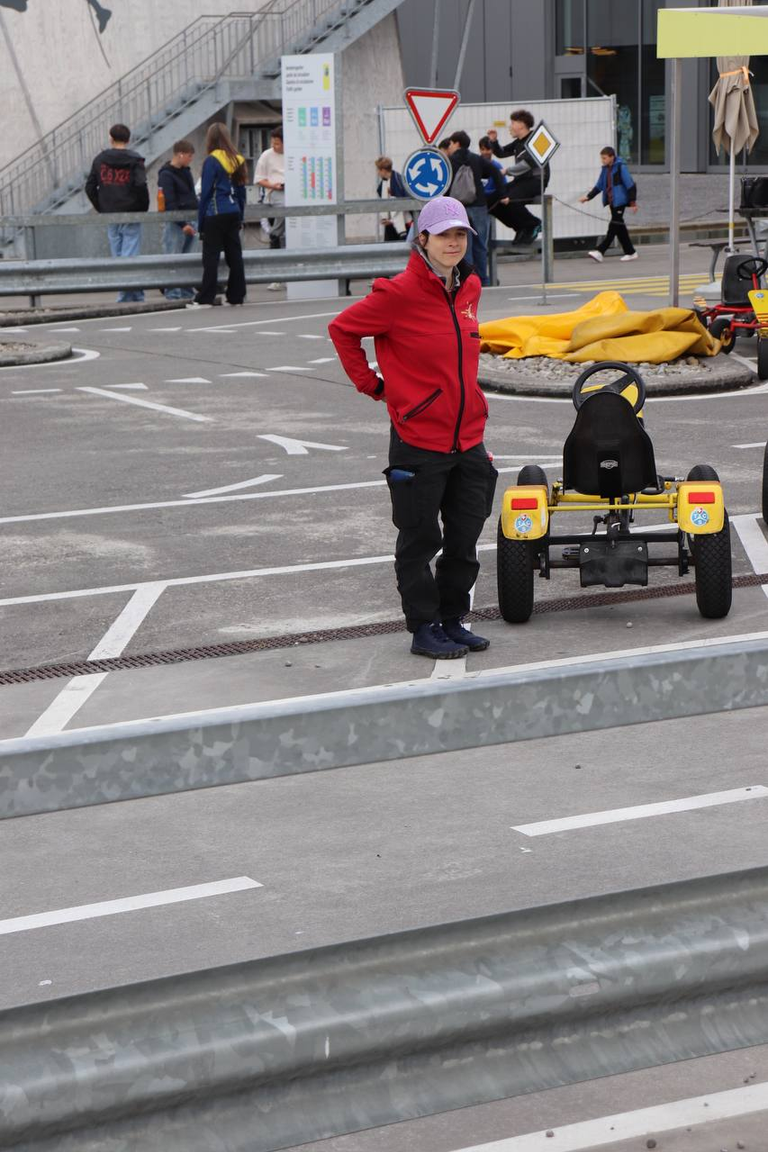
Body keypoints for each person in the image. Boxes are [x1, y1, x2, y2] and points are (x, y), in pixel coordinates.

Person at [328, 196, 498, 660]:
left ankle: (451, 620)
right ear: (422, 238)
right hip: (418, 440)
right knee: (420, 540)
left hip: (468, 439)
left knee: (464, 540)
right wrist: (373, 385)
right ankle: (424, 627)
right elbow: (342, 330)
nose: (454, 243)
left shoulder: (469, 290)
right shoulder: (397, 294)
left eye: (460, 234)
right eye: (444, 235)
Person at [85, 123, 149, 303]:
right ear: (128, 140)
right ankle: (130, 295)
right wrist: (142, 208)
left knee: (118, 254)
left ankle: (131, 294)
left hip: (110, 213)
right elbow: (140, 185)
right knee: (130, 254)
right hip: (131, 211)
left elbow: (90, 187)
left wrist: (102, 207)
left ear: (111, 138)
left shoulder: (100, 159)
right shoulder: (136, 160)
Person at [195, 122, 247, 307]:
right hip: (233, 212)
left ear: (211, 139)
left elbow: (207, 192)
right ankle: (237, 295)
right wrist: (240, 215)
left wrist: (200, 222)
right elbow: (241, 192)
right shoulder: (237, 159)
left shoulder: (211, 161)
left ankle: (206, 297)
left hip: (215, 212)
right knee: (235, 256)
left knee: (211, 257)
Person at [446, 130, 507, 286]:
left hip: (458, 208)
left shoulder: (449, 161)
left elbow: (443, 186)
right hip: (478, 205)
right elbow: (496, 173)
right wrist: (501, 194)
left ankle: (468, 281)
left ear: (457, 143)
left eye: (451, 143)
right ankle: (483, 280)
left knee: (464, 245)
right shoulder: (476, 159)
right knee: (480, 244)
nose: (450, 146)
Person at [487, 109, 548, 245]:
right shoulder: (518, 143)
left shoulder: (537, 140)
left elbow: (528, 163)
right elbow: (501, 153)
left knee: (511, 199)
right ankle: (521, 227)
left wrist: (506, 171)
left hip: (536, 182)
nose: (510, 126)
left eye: (513, 123)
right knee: (492, 200)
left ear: (522, 124)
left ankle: (534, 223)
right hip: (521, 181)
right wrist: (494, 141)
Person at [580, 146, 638, 262]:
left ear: (612, 157)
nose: (603, 160)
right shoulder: (605, 169)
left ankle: (600, 251)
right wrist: (588, 197)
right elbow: (599, 185)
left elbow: (630, 184)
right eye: (602, 158)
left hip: (620, 201)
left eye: (604, 158)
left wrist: (633, 202)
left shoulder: (621, 167)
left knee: (613, 226)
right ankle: (631, 252)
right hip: (612, 201)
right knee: (619, 227)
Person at [157, 139, 198, 300]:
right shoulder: (166, 175)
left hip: (190, 216)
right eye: (188, 156)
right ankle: (173, 292)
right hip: (177, 222)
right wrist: (182, 224)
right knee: (174, 257)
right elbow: (169, 202)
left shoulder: (186, 171)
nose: (190, 159)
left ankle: (186, 291)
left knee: (187, 258)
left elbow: (191, 196)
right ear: (180, 154)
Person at [254, 126, 285, 292]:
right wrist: (273, 185)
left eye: (278, 144)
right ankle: (276, 232)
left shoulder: (292, 154)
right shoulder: (266, 155)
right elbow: (259, 179)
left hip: (292, 193)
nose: (275, 146)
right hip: (274, 193)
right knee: (284, 206)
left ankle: (276, 232)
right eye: (273, 143)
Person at [375, 155, 413, 241]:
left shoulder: (398, 182)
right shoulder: (387, 181)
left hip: (402, 225)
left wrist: (391, 220)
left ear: (383, 170)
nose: (377, 172)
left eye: (378, 170)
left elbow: (402, 205)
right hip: (391, 224)